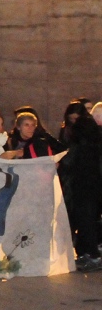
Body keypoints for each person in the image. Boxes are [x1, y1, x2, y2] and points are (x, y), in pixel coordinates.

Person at [59, 114, 102, 271]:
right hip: (94, 190)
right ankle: (87, 252)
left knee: (84, 222)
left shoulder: (78, 147)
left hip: (80, 190)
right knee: (89, 221)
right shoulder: (96, 146)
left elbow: (68, 164)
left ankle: (90, 254)